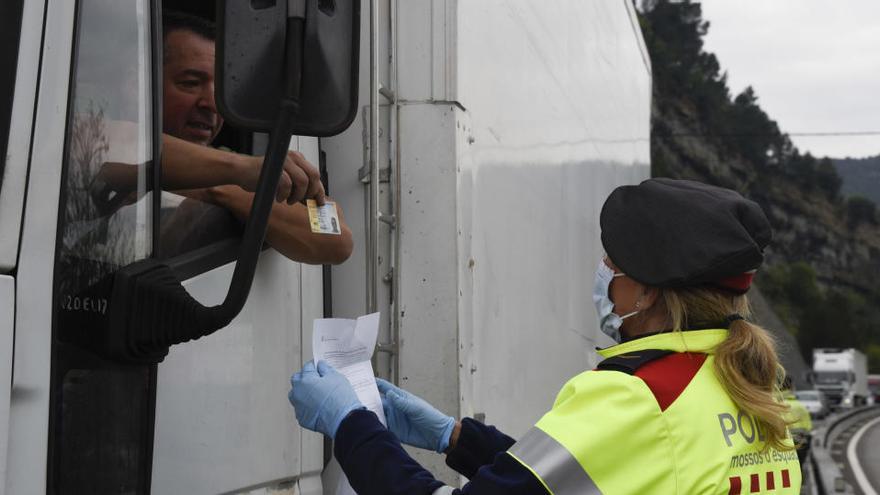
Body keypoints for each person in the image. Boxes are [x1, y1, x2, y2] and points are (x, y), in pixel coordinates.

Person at [288, 178, 803, 494]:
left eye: (612, 263)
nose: (602, 271)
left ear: (646, 294)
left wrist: (352, 424)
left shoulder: (640, 395)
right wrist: (455, 437)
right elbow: (585, 479)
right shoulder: (752, 382)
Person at [94, 11, 353, 264]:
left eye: (220, 89)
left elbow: (335, 238)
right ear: (136, 85)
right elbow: (108, 140)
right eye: (191, 83)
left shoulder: (237, 168)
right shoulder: (89, 144)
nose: (213, 104)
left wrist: (216, 187)